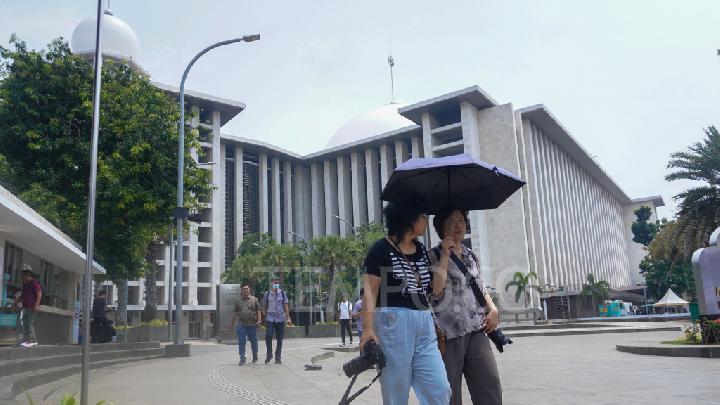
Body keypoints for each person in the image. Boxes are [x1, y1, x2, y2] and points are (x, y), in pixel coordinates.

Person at [361, 196, 451, 405]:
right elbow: (369, 292)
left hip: (424, 324)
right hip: (393, 325)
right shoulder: (380, 250)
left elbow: (435, 290)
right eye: (424, 216)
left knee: (439, 388)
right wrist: (367, 329)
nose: (426, 221)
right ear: (410, 219)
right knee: (396, 392)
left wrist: (445, 255)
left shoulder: (420, 250)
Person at [428, 206, 502, 405]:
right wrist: (445, 255)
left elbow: (481, 288)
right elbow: (436, 291)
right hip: (449, 334)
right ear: (440, 226)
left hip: (477, 329)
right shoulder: (433, 255)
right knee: (450, 392)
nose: (457, 225)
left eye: (461, 220)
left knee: (489, 385)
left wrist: (493, 309)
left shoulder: (471, 255)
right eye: (450, 221)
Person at [261, 277, 293, 364]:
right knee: (268, 336)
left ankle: (278, 356)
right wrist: (264, 315)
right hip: (270, 318)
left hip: (280, 318)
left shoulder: (282, 293)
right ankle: (269, 354)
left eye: (277, 283)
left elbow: (286, 305)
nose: (276, 284)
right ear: (271, 283)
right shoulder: (267, 294)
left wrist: (288, 317)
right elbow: (264, 305)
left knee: (280, 338)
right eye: (274, 282)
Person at [232, 285, 262, 365]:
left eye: (246, 289)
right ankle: (242, 358)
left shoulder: (255, 299)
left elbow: (258, 310)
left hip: (252, 325)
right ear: (241, 291)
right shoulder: (238, 301)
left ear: (249, 290)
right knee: (241, 342)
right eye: (244, 289)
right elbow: (235, 313)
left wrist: (259, 321)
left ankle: (255, 355)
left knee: (254, 341)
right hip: (242, 325)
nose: (245, 291)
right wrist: (231, 324)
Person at [15, 268, 41, 347]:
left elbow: (39, 294)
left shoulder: (34, 282)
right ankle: (32, 340)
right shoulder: (25, 284)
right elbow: (23, 295)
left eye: (22, 276)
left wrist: (36, 305)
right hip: (25, 307)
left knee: (29, 323)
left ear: (27, 275)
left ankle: (31, 340)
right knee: (25, 323)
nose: (21, 278)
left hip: (31, 307)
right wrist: (16, 301)